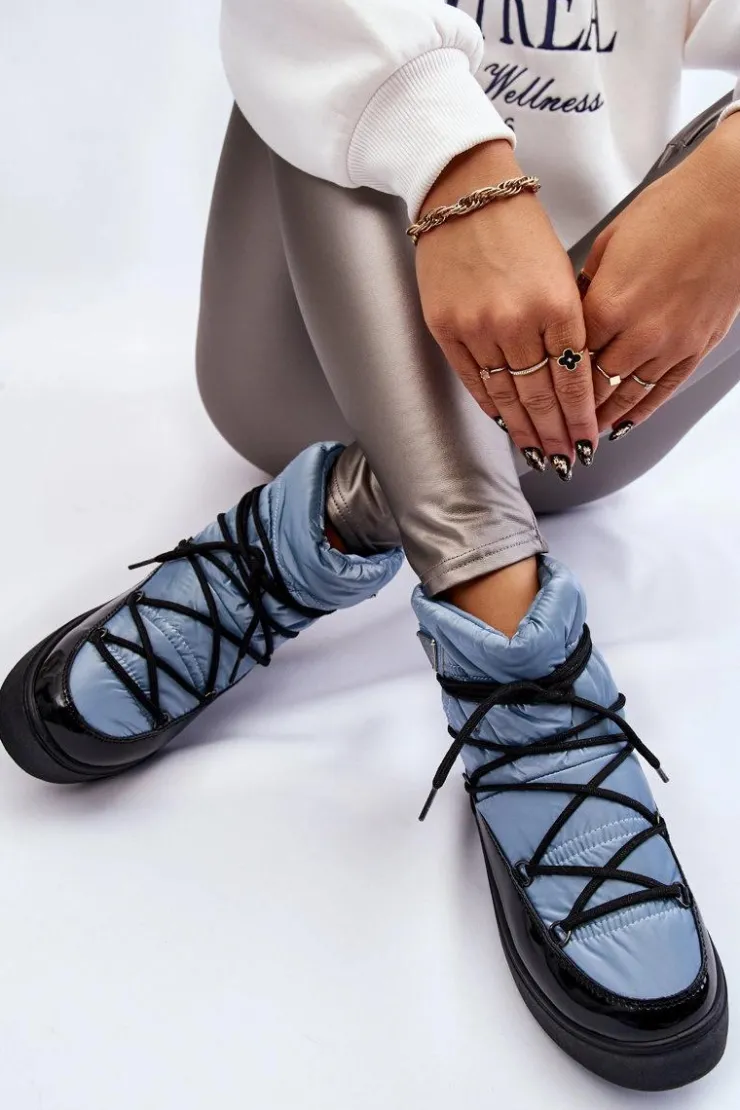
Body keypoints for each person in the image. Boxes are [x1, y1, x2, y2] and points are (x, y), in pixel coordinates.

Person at [1, 0, 738, 1091]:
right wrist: (453, 170)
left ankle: (331, 520)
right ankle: (508, 633)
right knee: (348, 61)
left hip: (578, 407)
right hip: (298, 345)